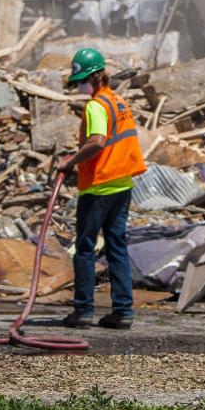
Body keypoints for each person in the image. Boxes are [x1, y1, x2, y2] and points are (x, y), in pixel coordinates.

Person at [55, 48, 146, 329]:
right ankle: (123, 311)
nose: (80, 85)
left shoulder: (96, 106)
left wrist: (70, 162)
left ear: (95, 77)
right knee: (117, 248)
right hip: (122, 185)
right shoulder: (117, 101)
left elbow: (96, 142)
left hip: (99, 188)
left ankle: (82, 310)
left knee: (84, 248)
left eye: (82, 79)